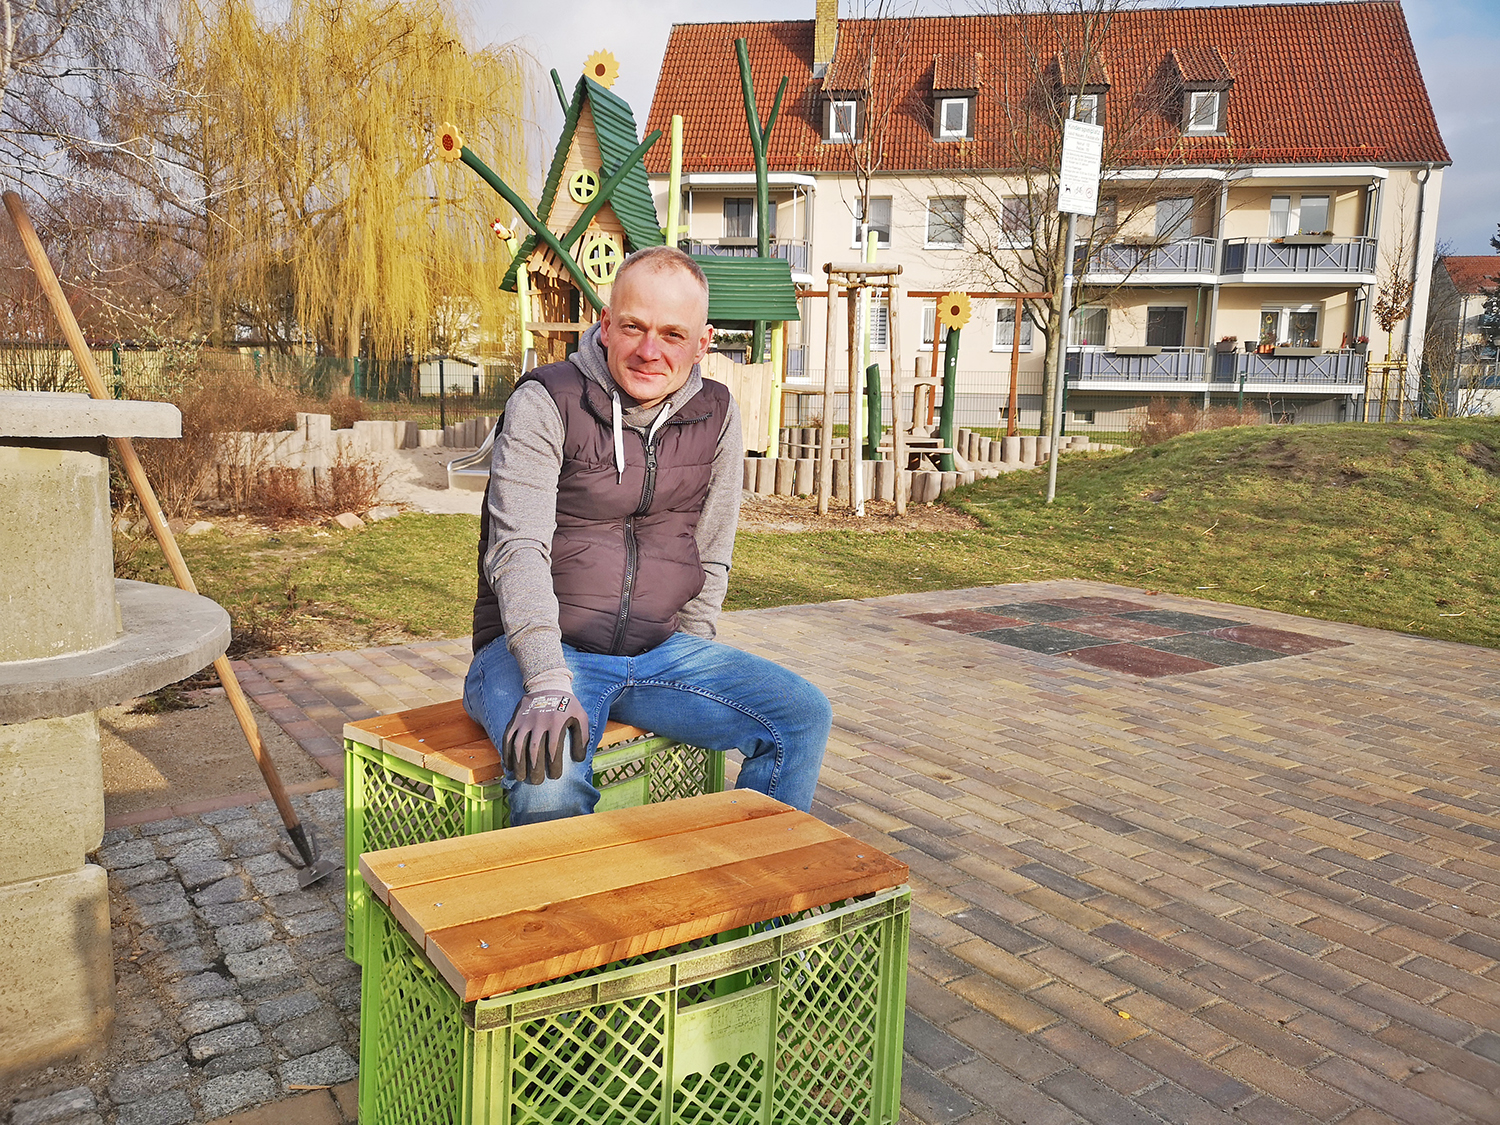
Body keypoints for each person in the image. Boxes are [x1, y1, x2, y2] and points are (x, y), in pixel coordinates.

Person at [464, 245, 830, 825]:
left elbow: (712, 549)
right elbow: (516, 551)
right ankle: (568, 916)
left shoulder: (717, 412)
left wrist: (699, 646)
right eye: (633, 327)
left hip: (657, 653)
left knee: (800, 714)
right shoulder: (547, 400)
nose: (650, 351)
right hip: (534, 654)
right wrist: (544, 679)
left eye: (672, 334)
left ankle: (751, 900)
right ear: (605, 325)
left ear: (703, 342)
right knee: (549, 777)